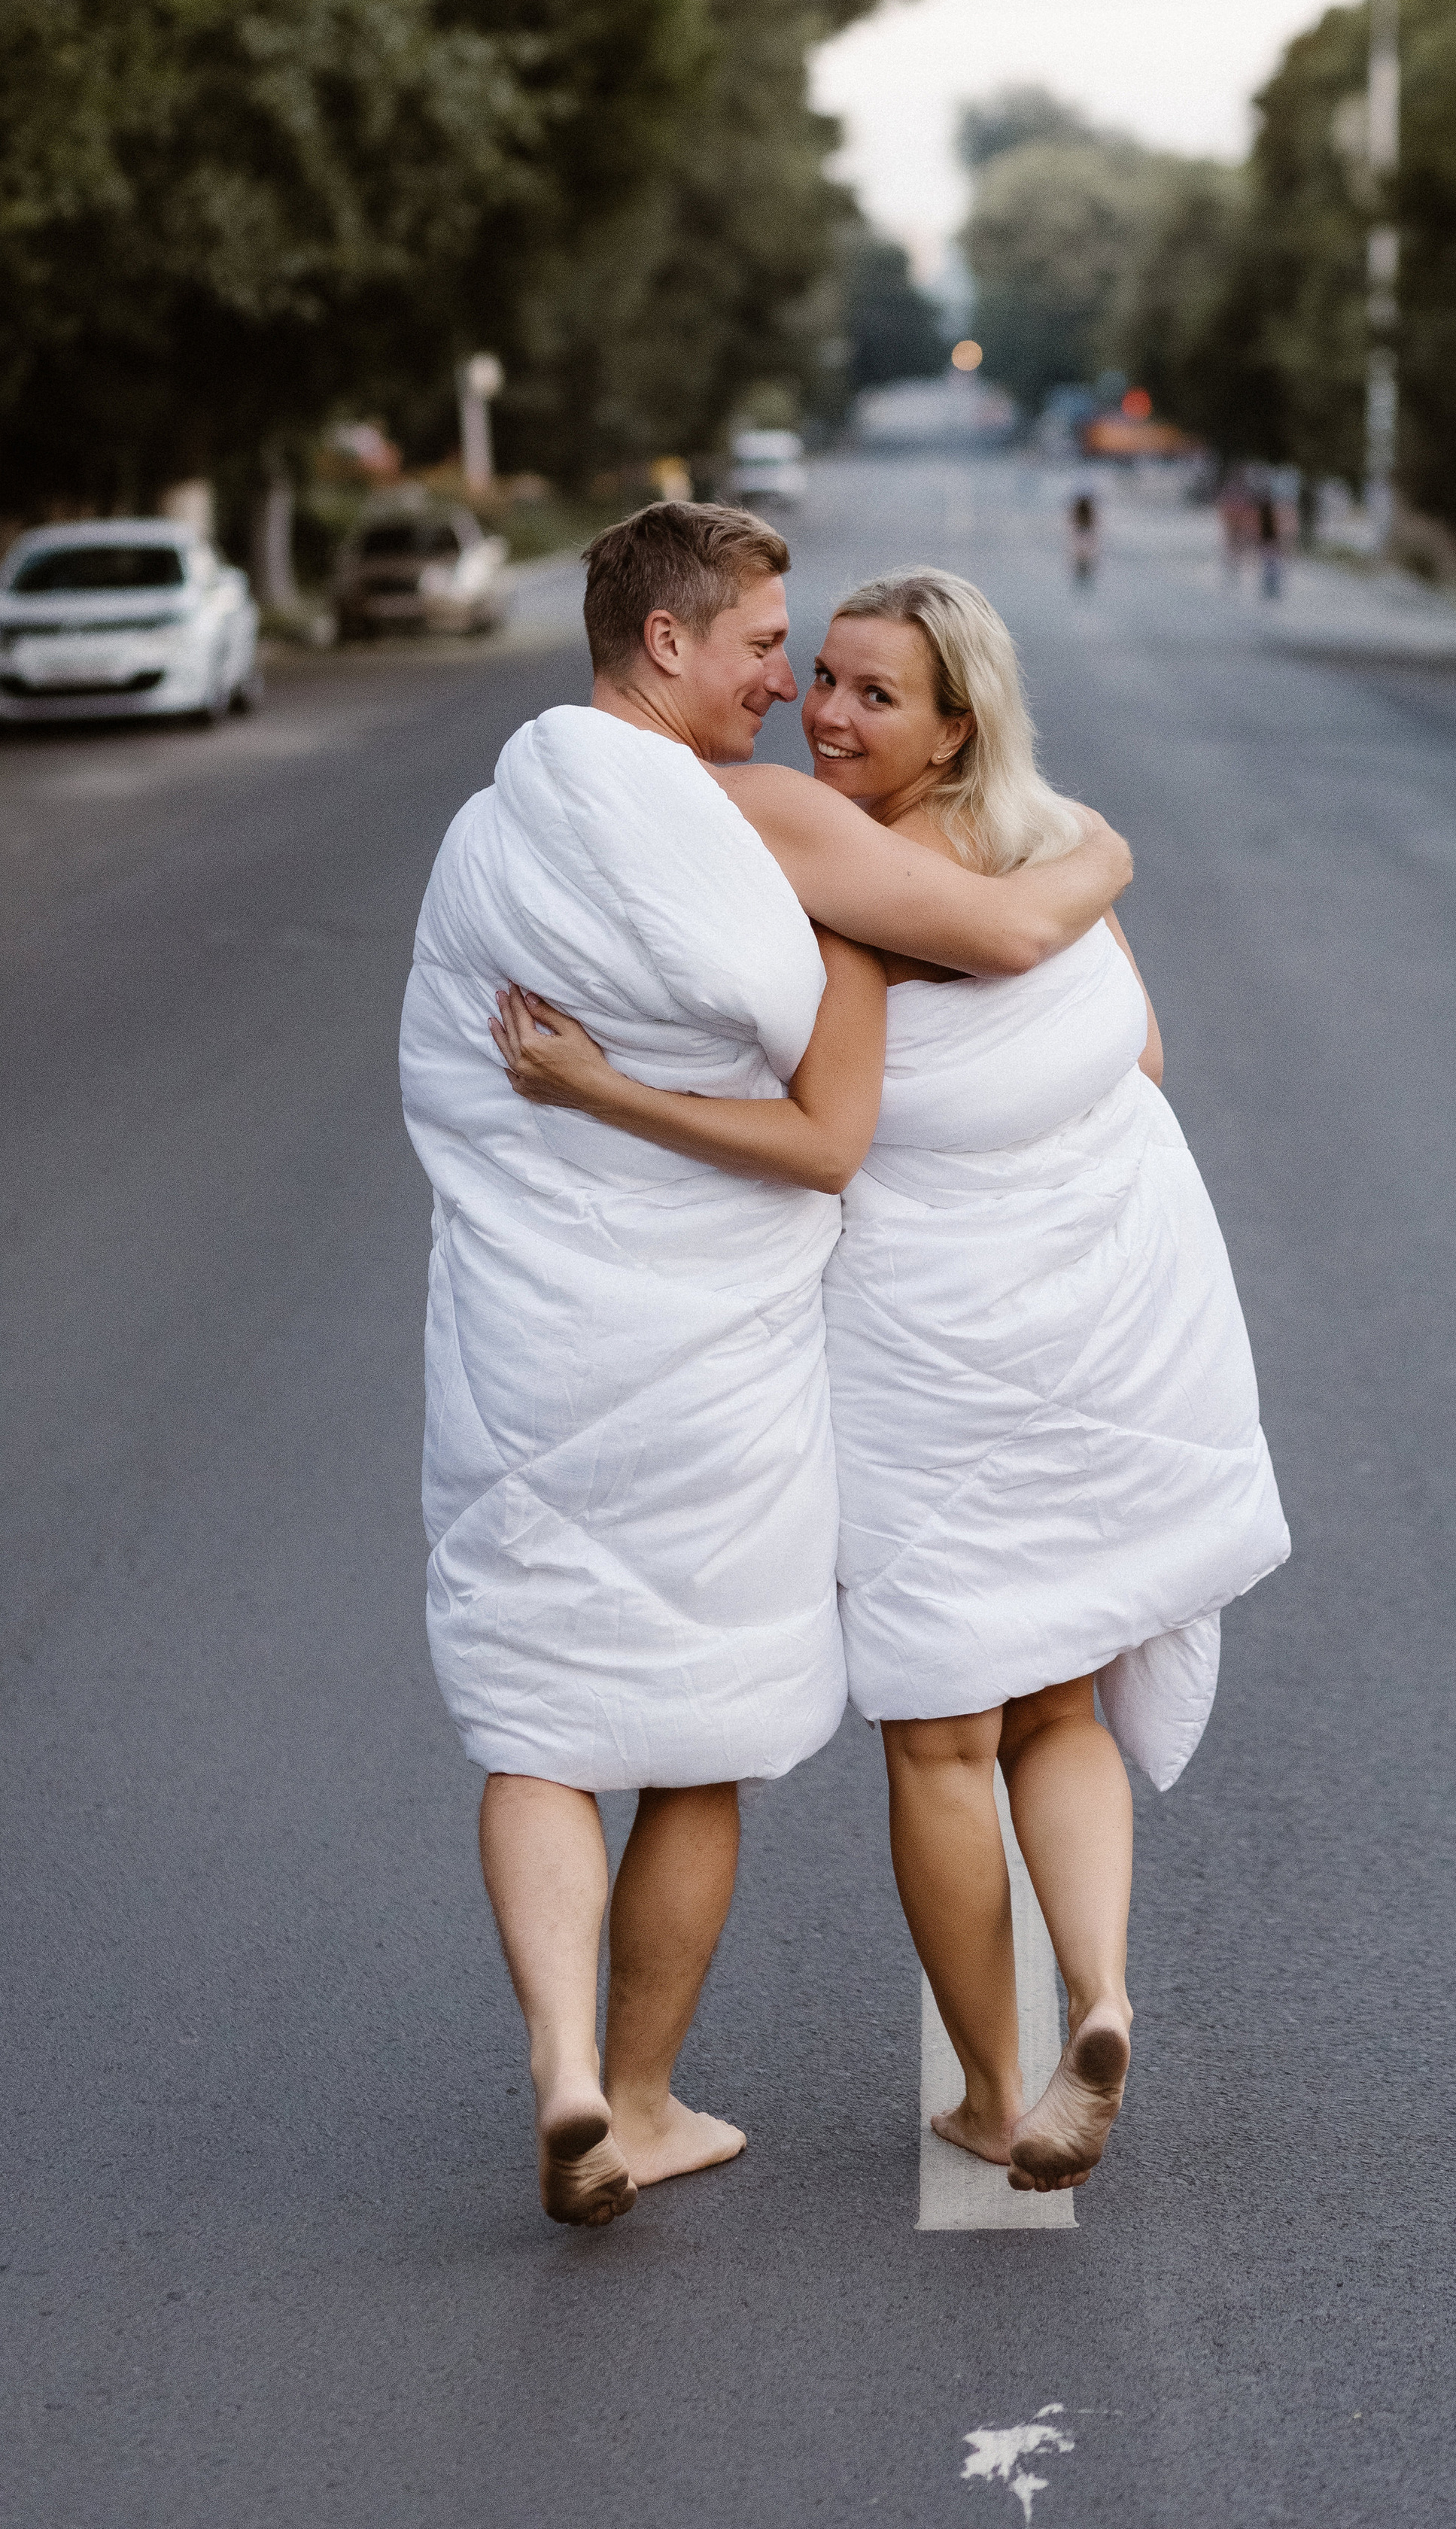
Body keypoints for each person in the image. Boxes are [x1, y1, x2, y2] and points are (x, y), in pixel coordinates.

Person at [492, 564, 1285, 2201]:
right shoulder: (1053, 844)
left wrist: (588, 1086)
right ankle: (1106, 1996)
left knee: (943, 1739)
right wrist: (1110, 853)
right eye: (818, 677)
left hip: (933, 1337)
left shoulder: (819, 878)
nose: (822, 710)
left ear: (946, 727)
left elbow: (825, 1137)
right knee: (1065, 1695)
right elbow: (1134, 1055)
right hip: (1101, 1310)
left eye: (869, 693)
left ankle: (999, 2093)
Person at [401, 503, 1132, 2228]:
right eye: (760, 649)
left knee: (532, 1726)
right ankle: (642, 2094)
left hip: (518, 1336)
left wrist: (563, 1105)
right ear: (666, 642)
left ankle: (564, 2073)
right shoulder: (767, 839)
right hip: (704, 1351)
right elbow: (972, 1006)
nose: (782, 688)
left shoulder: (488, 836)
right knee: (692, 1746)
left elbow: (441, 1072)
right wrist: (1104, 846)